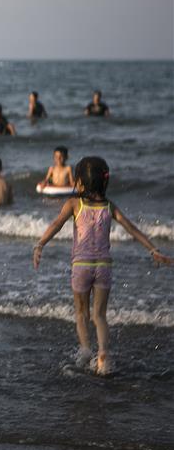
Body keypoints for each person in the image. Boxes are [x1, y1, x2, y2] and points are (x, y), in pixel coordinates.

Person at [33, 157, 171, 374]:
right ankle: (104, 354)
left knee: (81, 313)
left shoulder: (74, 204)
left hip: (81, 265)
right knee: (100, 316)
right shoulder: (109, 206)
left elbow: (56, 224)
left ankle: (86, 350)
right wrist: (153, 250)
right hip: (104, 266)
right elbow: (132, 228)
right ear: (103, 182)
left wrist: (40, 244)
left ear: (79, 182)